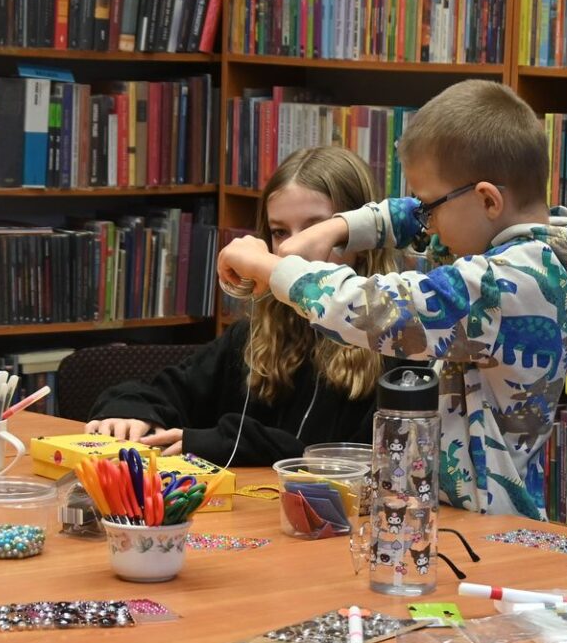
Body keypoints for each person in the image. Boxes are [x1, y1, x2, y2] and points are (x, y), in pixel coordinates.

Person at [218, 80, 567, 516]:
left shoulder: (510, 282)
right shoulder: (523, 242)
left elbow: (377, 312)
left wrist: (270, 269)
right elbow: (409, 216)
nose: (426, 223)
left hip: (489, 526)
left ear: (488, 200)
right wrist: (336, 228)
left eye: (430, 207)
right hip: (459, 513)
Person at [86, 145, 397, 464]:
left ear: (363, 239)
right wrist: (130, 413)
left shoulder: (396, 345)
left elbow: (343, 462)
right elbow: (164, 391)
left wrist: (228, 441)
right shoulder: (255, 334)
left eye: (315, 229)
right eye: (279, 232)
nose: (291, 250)